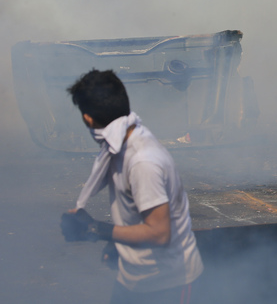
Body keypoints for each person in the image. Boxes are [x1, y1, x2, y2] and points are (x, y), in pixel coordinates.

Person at [60, 69, 204, 304]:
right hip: (134, 280)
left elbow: (159, 234)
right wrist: (118, 243)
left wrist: (96, 229)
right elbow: (135, 209)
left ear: (87, 118)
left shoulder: (142, 161)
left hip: (169, 285)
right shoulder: (122, 144)